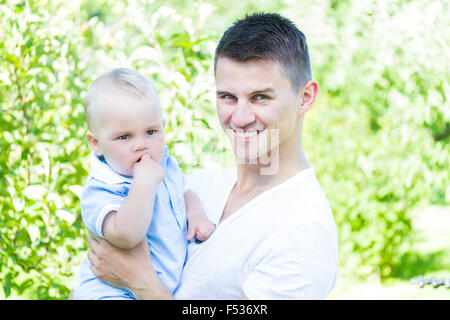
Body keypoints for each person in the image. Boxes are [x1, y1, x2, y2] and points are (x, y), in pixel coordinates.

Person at [85, 12, 338, 300]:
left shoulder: (304, 231)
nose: (240, 118)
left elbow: (124, 270)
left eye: (260, 97)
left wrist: (141, 284)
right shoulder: (195, 186)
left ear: (305, 97)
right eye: (228, 97)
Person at [71, 68, 216, 299]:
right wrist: (144, 184)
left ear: (163, 126)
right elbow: (126, 235)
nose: (141, 145)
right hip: (110, 291)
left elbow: (185, 191)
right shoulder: (102, 189)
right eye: (124, 137)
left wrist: (196, 216)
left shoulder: (164, 163)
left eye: (150, 132)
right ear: (96, 143)